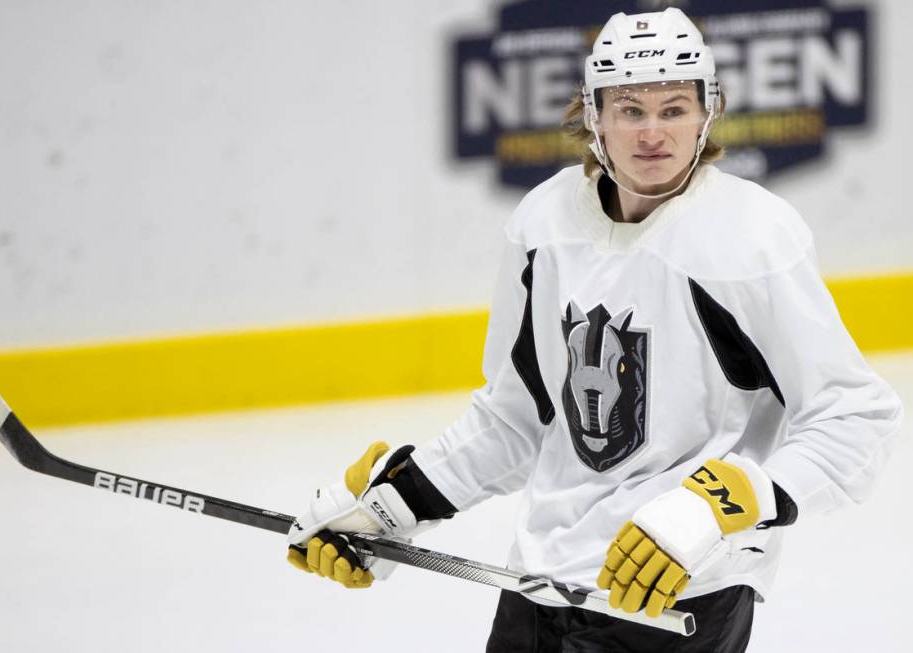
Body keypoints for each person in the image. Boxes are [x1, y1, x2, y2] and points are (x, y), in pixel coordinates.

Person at [284, 7, 903, 652]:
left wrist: (719, 504)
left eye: (674, 109)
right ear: (594, 115)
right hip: (538, 583)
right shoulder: (545, 223)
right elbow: (516, 418)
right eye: (631, 110)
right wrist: (397, 503)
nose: (653, 134)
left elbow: (854, 417)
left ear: (707, 112)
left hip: (677, 594)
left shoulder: (749, 238)